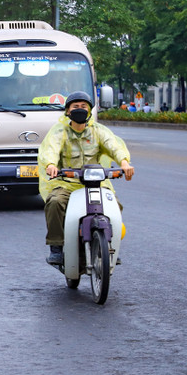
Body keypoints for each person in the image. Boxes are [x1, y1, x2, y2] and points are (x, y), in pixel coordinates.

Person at [38, 91, 134, 266]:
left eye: (84, 107)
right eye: (76, 107)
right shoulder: (60, 132)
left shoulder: (98, 131)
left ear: (89, 111)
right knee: (54, 201)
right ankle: (56, 247)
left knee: (115, 205)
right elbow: (51, 149)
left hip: (97, 183)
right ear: (68, 111)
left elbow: (114, 146)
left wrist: (124, 162)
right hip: (66, 183)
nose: (80, 110)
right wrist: (51, 165)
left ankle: (110, 245)